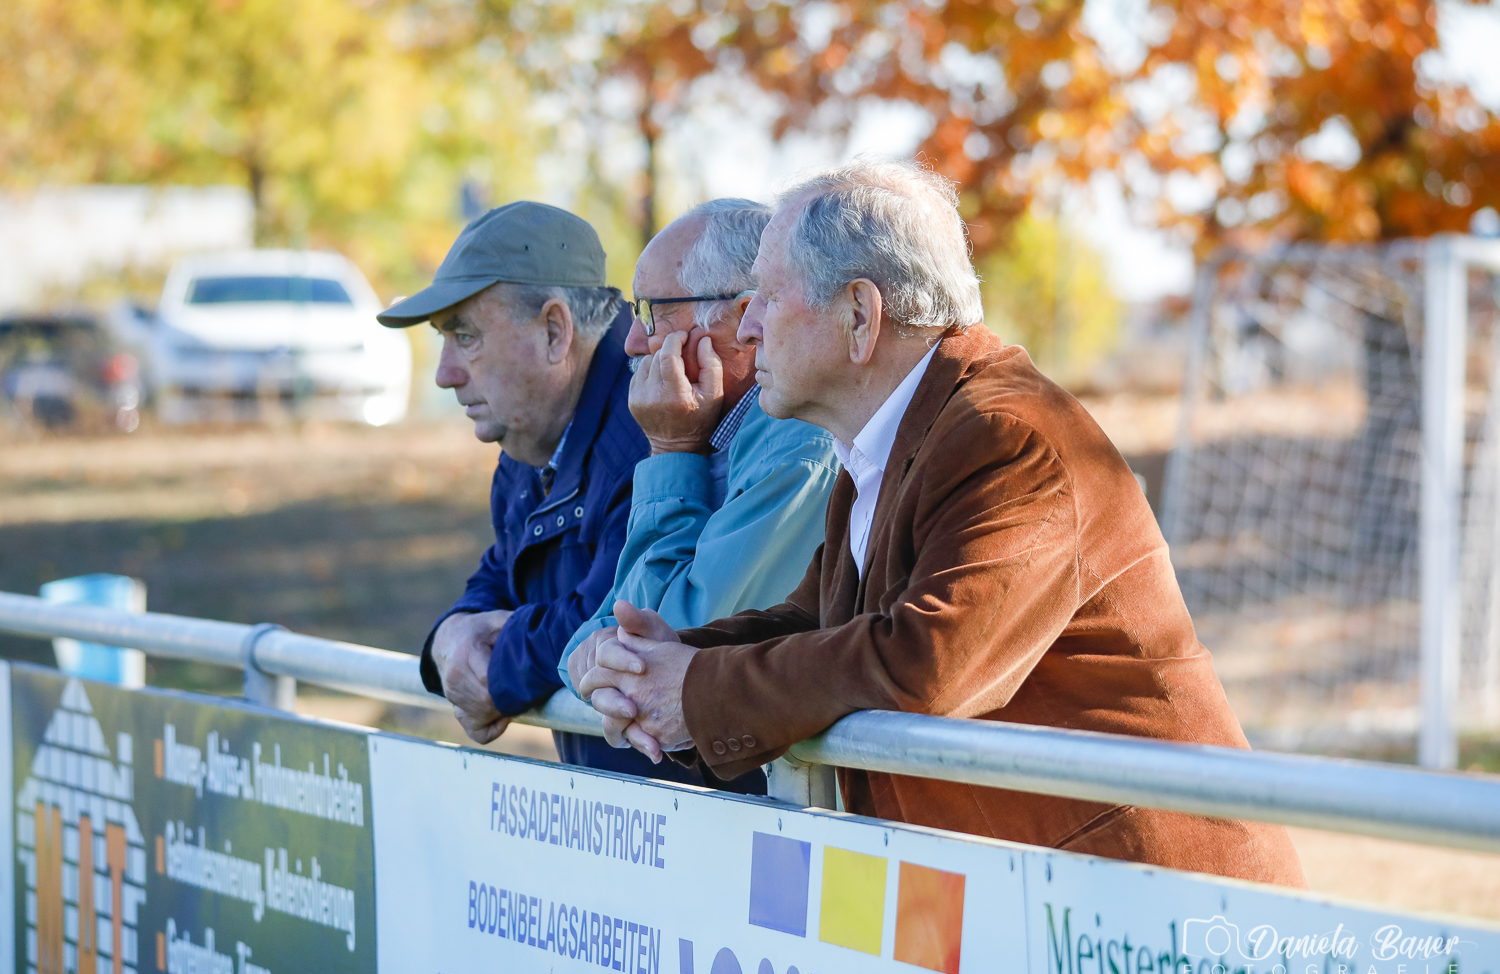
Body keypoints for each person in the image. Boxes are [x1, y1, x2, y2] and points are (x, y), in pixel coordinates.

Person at [571, 161, 1307, 886]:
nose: (750, 326)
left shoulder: (1009, 436)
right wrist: (663, 659)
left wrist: (695, 688)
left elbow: (924, 663)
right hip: (1044, 902)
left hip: (1150, 918)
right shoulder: (889, 440)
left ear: (861, 315)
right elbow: (818, 623)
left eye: (764, 295)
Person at [376, 200, 701, 781]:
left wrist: (497, 675)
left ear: (555, 331)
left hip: (695, 828)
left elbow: (609, 621)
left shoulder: (654, 428)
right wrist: (450, 637)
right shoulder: (532, 439)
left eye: (465, 336)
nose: (445, 372)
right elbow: (497, 577)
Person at [559, 199, 842, 794]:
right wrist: (590, 659)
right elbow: (602, 631)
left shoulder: (799, 446)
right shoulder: (714, 427)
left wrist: (671, 453)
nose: (633, 341)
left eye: (651, 312)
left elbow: (671, 634)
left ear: (742, 318)